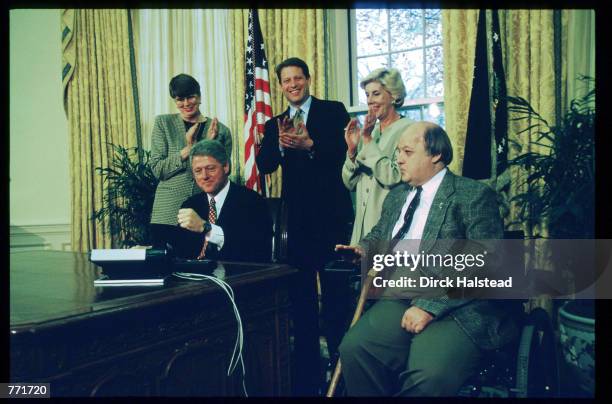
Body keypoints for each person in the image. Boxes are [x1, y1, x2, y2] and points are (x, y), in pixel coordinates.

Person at [336, 122, 519, 396]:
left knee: (428, 375)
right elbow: (381, 232)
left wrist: (430, 306)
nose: (398, 158)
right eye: (398, 151)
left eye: (407, 152)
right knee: (355, 349)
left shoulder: (472, 195)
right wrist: (363, 249)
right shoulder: (397, 197)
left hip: (458, 304)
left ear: (436, 154)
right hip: (400, 295)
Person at [256, 57, 354, 395]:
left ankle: (343, 371)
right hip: (295, 225)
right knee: (301, 300)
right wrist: (282, 148)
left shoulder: (333, 111)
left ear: (308, 79)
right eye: (287, 80)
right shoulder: (276, 123)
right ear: (281, 86)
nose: (293, 84)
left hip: (332, 220)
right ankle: (309, 372)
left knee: (337, 298)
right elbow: (264, 164)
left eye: (298, 78)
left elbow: (347, 154)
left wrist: (311, 146)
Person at [149, 73, 232, 243]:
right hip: (167, 212)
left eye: (191, 97)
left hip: (203, 213)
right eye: (180, 99)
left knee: (199, 265)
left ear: (200, 97)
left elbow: (223, 173)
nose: (186, 104)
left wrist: (210, 144)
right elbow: (158, 169)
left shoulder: (221, 131)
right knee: (163, 266)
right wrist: (189, 149)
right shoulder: (163, 124)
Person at [342, 67, 413, 245]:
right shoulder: (370, 132)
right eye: (367, 95)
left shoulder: (409, 129)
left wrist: (366, 141)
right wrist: (351, 152)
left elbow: (394, 176)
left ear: (394, 95)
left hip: (390, 225)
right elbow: (349, 183)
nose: (370, 101)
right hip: (362, 227)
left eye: (376, 94)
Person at [176, 139, 272, 262]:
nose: (204, 176)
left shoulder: (252, 202)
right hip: (195, 278)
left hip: (237, 276)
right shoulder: (190, 205)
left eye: (210, 168)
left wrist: (206, 228)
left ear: (226, 167)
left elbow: (256, 251)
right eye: (198, 171)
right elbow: (181, 253)